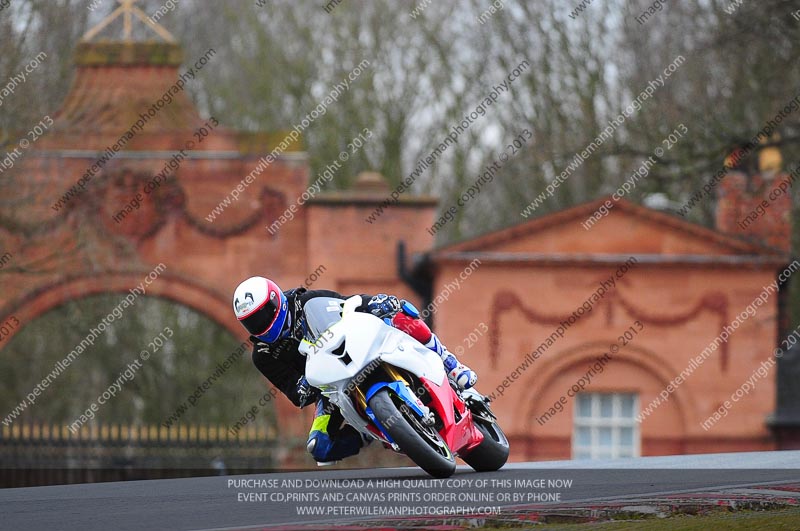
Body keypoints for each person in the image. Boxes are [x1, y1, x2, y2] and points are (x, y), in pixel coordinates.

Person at [231, 276, 477, 464]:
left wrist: (376, 302)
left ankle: (450, 364)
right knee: (319, 447)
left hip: (360, 348)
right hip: (329, 388)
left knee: (403, 314)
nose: (261, 324)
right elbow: (292, 391)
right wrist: (303, 387)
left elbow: (347, 305)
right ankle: (368, 433)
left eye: (264, 314)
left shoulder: (304, 300)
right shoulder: (263, 355)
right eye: (252, 321)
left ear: (276, 301)